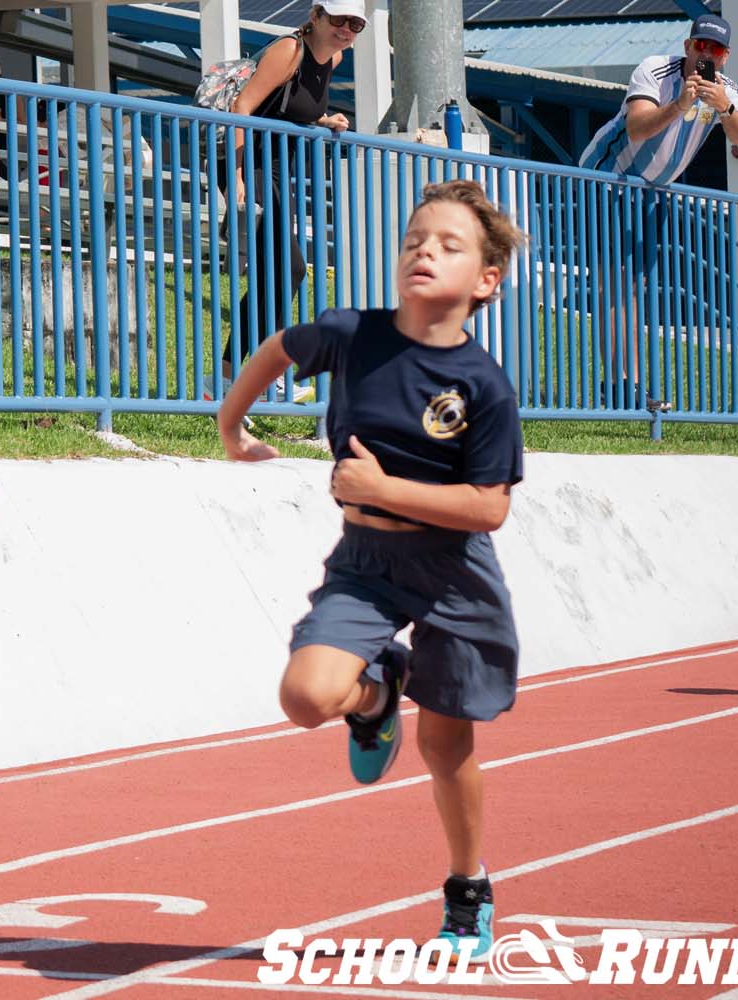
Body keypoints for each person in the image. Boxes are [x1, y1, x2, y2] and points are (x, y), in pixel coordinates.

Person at [218, 180, 526, 954]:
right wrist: (231, 423)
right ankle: (378, 688)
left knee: (445, 750)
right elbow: (280, 349)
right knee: (304, 696)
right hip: (366, 559)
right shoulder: (352, 332)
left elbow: (488, 508)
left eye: (449, 245)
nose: (425, 251)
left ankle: (467, 889)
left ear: (486, 280)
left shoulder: (484, 386)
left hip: (454, 571)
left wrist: (382, 486)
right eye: (415, 239)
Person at [579, 14, 738, 411]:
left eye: (717, 49)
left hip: (653, 190)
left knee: (632, 288)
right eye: (701, 46)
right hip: (610, 179)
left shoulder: (728, 91)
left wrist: (722, 106)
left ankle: (629, 385)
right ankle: (622, 384)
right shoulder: (655, 69)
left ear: (725, 57)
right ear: (688, 46)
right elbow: (638, 128)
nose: (707, 54)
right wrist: (680, 104)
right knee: (616, 284)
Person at [211, 2, 358, 403]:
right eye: (339, 20)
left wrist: (325, 119)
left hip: (277, 170)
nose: (347, 29)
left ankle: (233, 375)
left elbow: (297, 105)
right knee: (288, 269)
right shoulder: (289, 50)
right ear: (316, 17)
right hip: (250, 163)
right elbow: (243, 106)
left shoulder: (335, 57)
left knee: (275, 274)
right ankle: (258, 374)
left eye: (356, 24)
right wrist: (238, 176)